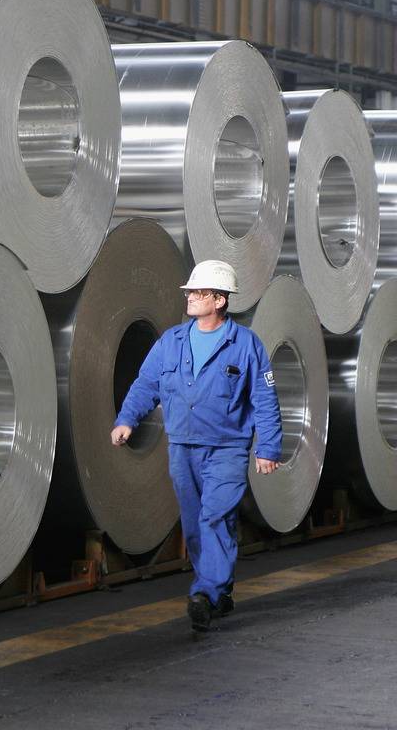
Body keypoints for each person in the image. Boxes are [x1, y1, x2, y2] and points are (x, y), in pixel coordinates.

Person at [110, 260, 282, 632]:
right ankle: (219, 589)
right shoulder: (170, 342)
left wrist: (267, 447)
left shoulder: (247, 345)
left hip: (227, 448)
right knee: (194, 524)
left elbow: (265, 400)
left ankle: (204, 593)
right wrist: (127, 419)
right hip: (182, 447)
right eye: (189, 291)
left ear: (219, 299)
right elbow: (145, 384)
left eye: (198, 292)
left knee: (215, 516)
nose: (189, 297)